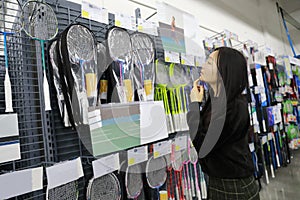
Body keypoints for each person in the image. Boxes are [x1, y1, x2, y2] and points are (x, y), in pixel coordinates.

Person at [187, 47, 260, 200]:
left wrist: (194, 104)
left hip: (234, 187)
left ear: (224, 70)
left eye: (210, 62)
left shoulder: (233, 108)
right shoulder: (218, 102)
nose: (204, 65)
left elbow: (202, 145)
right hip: (221, 182)